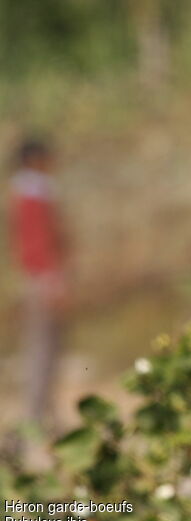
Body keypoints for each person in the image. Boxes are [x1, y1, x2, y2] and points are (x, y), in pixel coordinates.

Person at [8, 138, 67, 427]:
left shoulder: (34, 192)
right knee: (42, 348)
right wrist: (50, 279)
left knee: (50, 348)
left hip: (43, 276)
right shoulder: (31, 194)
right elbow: (37, 242)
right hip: (42, 278)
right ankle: (35, 419)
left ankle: (47, 414)